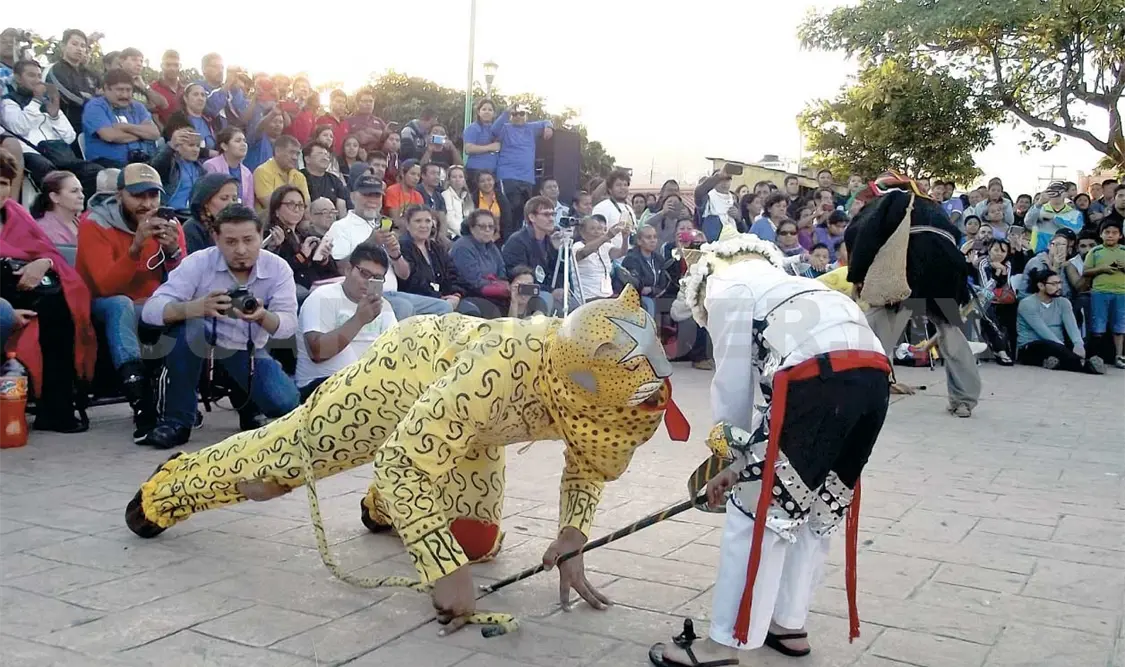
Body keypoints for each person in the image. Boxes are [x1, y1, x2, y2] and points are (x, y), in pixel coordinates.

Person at [125, 286, 690, 634]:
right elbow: (403, 461)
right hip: (402, 377)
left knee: (478, 540)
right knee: (280, 461)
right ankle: (169, 489)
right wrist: (443, 570)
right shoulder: (501, 369)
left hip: (469, 428)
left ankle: (383, 509)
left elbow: (591, 459)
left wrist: (573, 533)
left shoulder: (602, 383)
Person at [648, 229, 889, 666]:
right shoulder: (793, 285)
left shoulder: (728, 290)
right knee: (817, 507)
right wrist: (746, 460)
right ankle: (787, 624)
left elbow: (735, 392)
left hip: (818, 382)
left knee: (755, 510)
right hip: (872, 377)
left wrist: (733, 464)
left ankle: (724, 643)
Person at [138, 204, 301, 449]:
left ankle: (246, 399)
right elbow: (151, 310)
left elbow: (288, 325)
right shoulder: (199, 262)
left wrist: (261, 315)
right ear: (216, 238)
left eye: (248, 240)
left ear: (261, 235)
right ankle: (177, 421)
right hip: (199, 340)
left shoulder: (277, 268)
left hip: (244, 348)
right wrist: (197, 307)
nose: (241, 250)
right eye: (231, 241)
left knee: (285, 403)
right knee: (189, 327)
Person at [848, 173, 980, 416]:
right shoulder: (933, 206)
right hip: (948, 274)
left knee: (878, 335)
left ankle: (860, 394)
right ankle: (964, 400)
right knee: (950, 331)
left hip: (909, 269)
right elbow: (955, 238)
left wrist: (857, 275)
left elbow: (860, 233)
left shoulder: (889, 200)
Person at [77, 163, 186, 442]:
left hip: (150, 303)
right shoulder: (95, 223)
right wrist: (135, 248)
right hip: (100, 303)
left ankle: (178, 403)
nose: (147, 204)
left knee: (190, 308)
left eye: (153, 195)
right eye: (138, 196)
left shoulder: (170, 224)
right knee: (120, 304)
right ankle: (143, 406)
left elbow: (185, 284)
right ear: (119, 194)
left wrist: (173, 253)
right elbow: (105, 286)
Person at [0, 148, 95, 432]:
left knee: (60, 308)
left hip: (22, 282)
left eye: (4, 183)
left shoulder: (14, 212)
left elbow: (45, 250)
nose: (0, 190)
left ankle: (55, 408)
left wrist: (43, 262)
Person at [323, 173, 451, 321]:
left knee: (443, 308)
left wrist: (395, 254)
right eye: (367, 195)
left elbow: (404, 275)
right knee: (404, 307)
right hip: (361, 294)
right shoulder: (341, 227)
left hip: (392, 293)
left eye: (376, 196)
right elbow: (339, 268)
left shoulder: (386, 225)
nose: (372, 200)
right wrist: (371, 242)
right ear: (353, 197)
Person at [295, 241, 397, 398]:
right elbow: (318, 352)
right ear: (348, 270)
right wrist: (359, 320)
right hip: (322, 386)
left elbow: (393, 353)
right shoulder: (323, 297)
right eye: (364, 273)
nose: (368, 282)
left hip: (367, 385)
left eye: (377, 278)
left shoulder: (384, 307)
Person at [1, 60, 77, 186]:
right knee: (51, 174)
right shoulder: (9, 101)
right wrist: (36, 101)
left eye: (39, 76)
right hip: (32, 153)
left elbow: (70, 137)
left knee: (92, 171)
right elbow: (19, 128)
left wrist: (55, 117)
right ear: (18, 79)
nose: (37, 80)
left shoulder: (48, 102)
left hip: (58, 154)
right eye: (31, 75)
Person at [502, 196, 579, 315]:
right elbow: (519, 278)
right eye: (546, 215)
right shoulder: (517, 242)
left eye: (553, 215)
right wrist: (551, 291)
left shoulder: (549, 239)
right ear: (532, 217)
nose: (551, 219)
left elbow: (560, 272)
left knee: (576, 307)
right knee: (553, 303)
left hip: (546, 291)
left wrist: (559, 251)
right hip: (526, 294)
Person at [1017, 268, 1103, 374]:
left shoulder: (1063, 302)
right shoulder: (1027, 304)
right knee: (1048, 346)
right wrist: (1062, 349)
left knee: (1092, 341)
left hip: (1060, 345)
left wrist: (1078, 344)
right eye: (1054, 284)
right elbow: (1043, 331)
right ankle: (1084, 365)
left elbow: (1072, 326)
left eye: (1059, 283)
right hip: (1033, 345)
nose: (1059, 287)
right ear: (1041, 286)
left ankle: (1057, 362)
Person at [398, 205, 478, 315]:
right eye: (418, 221)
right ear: (407, 225)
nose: (423, 226)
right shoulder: (402, 247)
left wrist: (456, 295)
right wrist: (439, 297)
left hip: (447, 298)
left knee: (472, 311)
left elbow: (453, 274)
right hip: (420, 302)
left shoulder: (437, 248)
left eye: (427, 221)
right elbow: (412, 282)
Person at [266, 185, 337, 297]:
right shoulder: (271, 235)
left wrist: (323, 259)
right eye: (291, 204)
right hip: (290, 290)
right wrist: (302, 256)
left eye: (300, 205)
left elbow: (330, 272)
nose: (297, 209)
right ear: (276, 210)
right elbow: (275, 272)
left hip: (315, 287)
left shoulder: (304, 235)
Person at [81, 69, 159, 168]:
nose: (125, 95)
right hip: (108, 165)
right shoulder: (95, 106)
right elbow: (110, 136)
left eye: (128, 90)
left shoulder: (137, 106)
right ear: (106, 89)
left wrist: (125, 127)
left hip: (143, 161)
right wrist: (142, 134)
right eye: (120, 90)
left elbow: (155, 133)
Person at [493, 104, 553, 219]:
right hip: (508, 176)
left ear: (526, 116)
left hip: (527, 178)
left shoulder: (531, 127)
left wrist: (548, 127)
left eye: (522, 114)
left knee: (525, 213)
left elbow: (547, 121)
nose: (518, 116)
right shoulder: (505, 127)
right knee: (508, 212)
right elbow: (494, 130)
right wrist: (506, 112)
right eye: (515, 114)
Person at [44, 29, 100, 151]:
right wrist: (92, 101)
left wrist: (91, 99)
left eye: (83, 46)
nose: (79, 49)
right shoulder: (56, 70)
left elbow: (105, 95)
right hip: (67, 127)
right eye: (74, 44)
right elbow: (68, 95)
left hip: (93, 126)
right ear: (63, 46)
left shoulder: (91, 74)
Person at [1083, 218, 1125, 368]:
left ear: (1120, 235)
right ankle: (1097, 355)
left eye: (1114, 233)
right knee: (1098, 324)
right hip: (1100, 292)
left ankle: (1119, 356)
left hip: (1121, 293)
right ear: (1101, 235)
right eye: (1107, 232)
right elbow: (1085, 271)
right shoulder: (1095, 251)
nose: (1110, 235)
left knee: (1120, 326)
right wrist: (1101, 269)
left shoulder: (1124, 251)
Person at [449, 209, 510, 312]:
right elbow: (472, 281)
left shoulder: (491, 246)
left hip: (493, 293)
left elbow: (502, 271)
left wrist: (500, 284)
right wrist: (495, 284)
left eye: (491, 227)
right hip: (469, 294)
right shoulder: (462, 247)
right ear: (472, 228)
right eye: (482, 226)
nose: (487, 230)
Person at [573, 214, 628, 302]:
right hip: (587, 299)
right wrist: (607, 236)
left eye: (599, 228)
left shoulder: (605, 246)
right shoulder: (577, 246)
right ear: (582, 233)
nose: (597, 232)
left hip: (607, 297)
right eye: (592, 229)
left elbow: (621, 252)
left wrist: (625, 238)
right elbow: (583, 253)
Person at [151, 126, 205, 214]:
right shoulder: (170, 163)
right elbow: (156, 167)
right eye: (191, 145)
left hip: (192, 214)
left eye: (198, 146)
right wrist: (171, 146)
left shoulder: (200, 168)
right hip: (170, 213)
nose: (196, 150)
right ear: (178, 147)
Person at [621, 225, 670, 319]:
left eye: (655, 237)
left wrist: (652, 289)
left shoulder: (658, 258)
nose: (653, 240)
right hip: (635, 298)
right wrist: (652, 289)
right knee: (649, 303)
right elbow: (637, 285)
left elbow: (663, 282)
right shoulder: (631, 258)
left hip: (656, 295)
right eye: (648, 237)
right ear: (639, 241)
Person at [182, 173, 239, 254]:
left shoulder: (238, 226)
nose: (231, 204)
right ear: (206, 202)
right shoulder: (192, 229)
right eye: (224, 198)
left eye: (234, 199)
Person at [253, 134, 308, 213]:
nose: (295, 157)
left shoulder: (299, 176)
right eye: (291, 152)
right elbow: (270, 205)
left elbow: (306, 205)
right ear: (277, 151)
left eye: (297, 154)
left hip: (295, 219)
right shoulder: (262, 171)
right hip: (269, 221)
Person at [202, 126, 254, 205]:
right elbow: (208, 199)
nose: (243, 144)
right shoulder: (211, 166)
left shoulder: (247, 173)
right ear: (224, 146)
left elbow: (249, 205)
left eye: (244, 141)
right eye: (238, 141)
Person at [30, 170, 83, 246]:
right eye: (74, 191)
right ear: (54, 197)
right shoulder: (47, 230)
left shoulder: (79, 223)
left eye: (81, 191)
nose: (81, 196)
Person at [162, 83, 215, 155]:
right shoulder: (178, 119)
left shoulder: (210, 119)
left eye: (203, 95)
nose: (200, 98)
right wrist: (210, 153)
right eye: (196, 94)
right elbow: (183, 147)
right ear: (185, 98)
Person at [301, 141, 347, 218]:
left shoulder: (335, 180)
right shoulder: (298, 177)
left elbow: (342, 207)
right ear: (307, 159)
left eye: (326, 155)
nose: (325, 157)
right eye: (320, 154)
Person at [462, 98, 500, 186]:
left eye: (490, 110)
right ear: (479, 112)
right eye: (484, 109)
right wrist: (490, 147)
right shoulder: (473, 128)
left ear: (494, 114)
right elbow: (468, 149)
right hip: (476, 171)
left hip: (493, 172)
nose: (487, 112)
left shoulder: (497, 129)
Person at [470, 170, 514, 240]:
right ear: (478, 184)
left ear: (494, 181)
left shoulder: (501, 198)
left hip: (500, 238)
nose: (486, 183)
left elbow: (507, 221)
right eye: (482, 181)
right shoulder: (473, 198)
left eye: (489, 180)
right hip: (478, 238)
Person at [592, 169, 638, 236]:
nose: (623, 188)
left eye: (625, 185)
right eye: (618, 185)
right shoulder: (602, 207)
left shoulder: (629, 208)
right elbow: (596, 235)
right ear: (610, 189)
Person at [149, 50, 184, 128]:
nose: (172, 68)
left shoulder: (185, 90)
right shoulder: (152, 89)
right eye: (168, 65)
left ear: (180, 66)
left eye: (176, 65)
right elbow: (153, 117)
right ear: (162, 66)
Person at [442, 165, 471, 234]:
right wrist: (465, 233)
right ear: (449, 180)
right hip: (453, 234)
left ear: (464, 180)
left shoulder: (467, 196)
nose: (458, 179)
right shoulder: (446, 194)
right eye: (454, 177)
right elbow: (449, 220)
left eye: (461, 177)